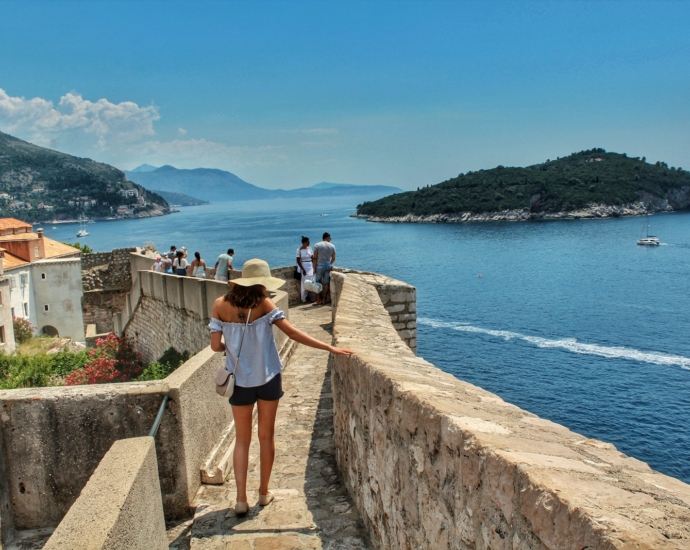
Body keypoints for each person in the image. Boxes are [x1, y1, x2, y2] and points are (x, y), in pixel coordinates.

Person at [209, 259, 354, 515]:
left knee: (242, 440)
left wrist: (229, 349)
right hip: (267, 378)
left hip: (238, 381)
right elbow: (294, 333)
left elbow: (215, 346)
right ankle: (264, 493)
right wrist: (330, 347)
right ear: (262, 283)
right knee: (266, 437)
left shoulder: (220, 305)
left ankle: (240, 499)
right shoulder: (264, 304)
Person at [312, 232, 336, 305]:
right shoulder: (332, 246)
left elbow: (315, 257)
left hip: (319, 265)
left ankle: (318, 300)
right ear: (327, 237)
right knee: (326, 283)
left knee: (317, 282)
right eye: (330, 238)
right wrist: (329, 264)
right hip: (328, 265)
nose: (330, 239)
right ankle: (324, 300)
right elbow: (334, 258)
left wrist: (314, 268)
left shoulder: (317, 245)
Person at [296, 236, 314, 303]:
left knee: (312, 281)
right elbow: (298, 260)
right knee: (304, 282)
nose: (309, 243)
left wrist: (314, 267)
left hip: (310, 265)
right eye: (307, 242)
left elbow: (312, 258)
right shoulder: (299, 250)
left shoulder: (310, 248)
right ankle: (304, 299)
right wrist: (303, 269)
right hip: (303, 265)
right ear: (304, 242)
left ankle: (312, 297)